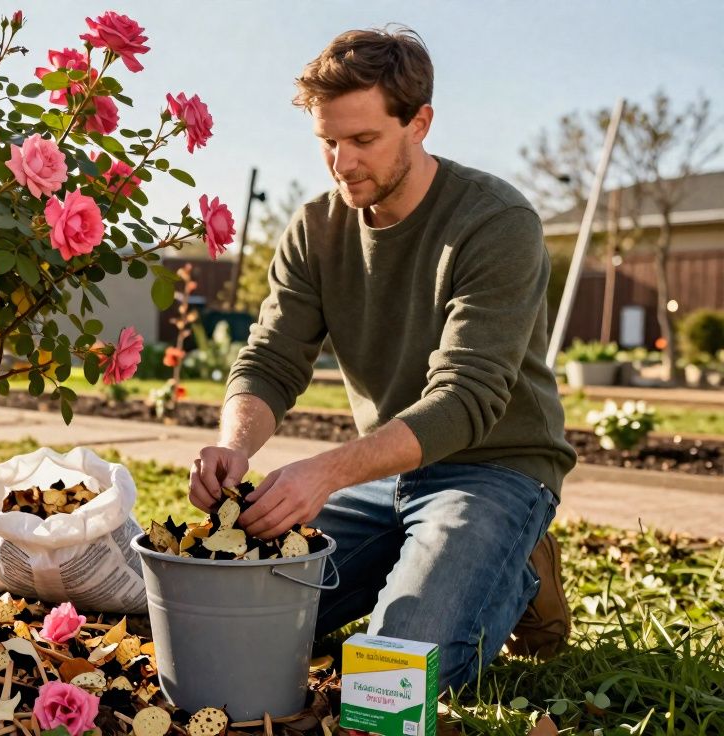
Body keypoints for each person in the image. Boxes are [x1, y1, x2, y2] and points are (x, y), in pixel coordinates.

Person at [187, 26, 577, 691]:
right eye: (327, 142)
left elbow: (466, 400)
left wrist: (324, 474)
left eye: (363, 140)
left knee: (392, 677)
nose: (341, 164)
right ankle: (426, 548)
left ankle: (513, 564)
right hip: (388, 476)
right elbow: (272, 358)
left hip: (494, 469)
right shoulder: (316, 227)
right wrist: (236, 445)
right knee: (210, 617)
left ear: (419, 122)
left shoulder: (495, 221)